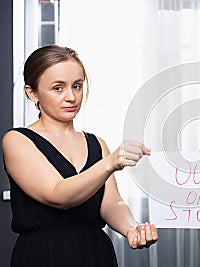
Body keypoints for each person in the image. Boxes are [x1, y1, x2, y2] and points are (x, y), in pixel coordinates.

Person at [2, 45, 158, 267]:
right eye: (58, 88)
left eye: (77, 86)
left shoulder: (96, 143)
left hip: (95, 252)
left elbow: (111, 202)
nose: (71, 97)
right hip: (43, 255)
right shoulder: (17, 140)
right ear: (32, 92)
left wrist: (131, 227)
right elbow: (58, 195)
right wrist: (109, 163)